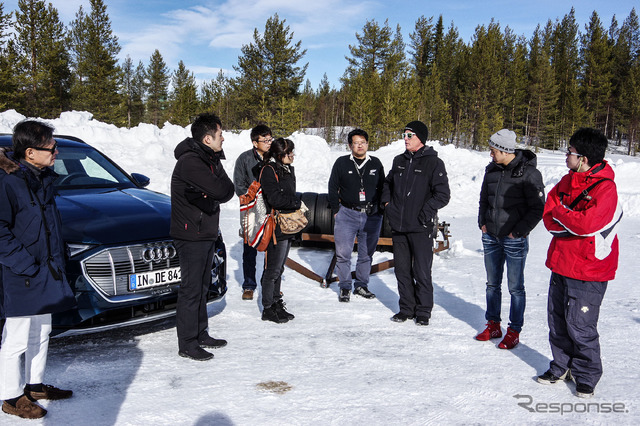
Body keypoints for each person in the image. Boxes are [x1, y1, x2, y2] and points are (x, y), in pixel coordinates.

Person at [537, 128, 622, 398]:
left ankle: (586, 374)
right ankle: (561, 365)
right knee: (557, 320)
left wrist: (564, 213)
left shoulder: (605, 188)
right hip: (561, 261)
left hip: (589, 269)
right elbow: (548, 214)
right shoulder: (566, 180)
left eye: (570, 152)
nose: (566, 155)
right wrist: (567, 216)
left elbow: (587, 225)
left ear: (583, 158)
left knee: (580, 324)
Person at [0, 120, 76, 419]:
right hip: (21, 274)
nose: (56, 151)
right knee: (16, 338)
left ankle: (34, 385)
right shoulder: (8, 183)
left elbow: (47, 225)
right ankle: (9, 396)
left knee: (42, 331)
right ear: (30, 152)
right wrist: (26, 264)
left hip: (46, 270)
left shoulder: (41, 178)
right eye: (52, 147)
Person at [170, 112, 235, 361]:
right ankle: (187, 342)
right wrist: (212, 192)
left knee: (203, 286)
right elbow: (221, 189)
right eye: (220, 135)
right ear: (207, 139)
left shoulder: (208, 158)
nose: (223, 139)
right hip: (191, 234)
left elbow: (227, 190)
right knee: (191, 289)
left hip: (205, 231)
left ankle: (200, 333)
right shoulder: (190, 162)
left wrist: (214, 183)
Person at [475, 129, 545, 349]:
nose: (490, 154)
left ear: (505, 151)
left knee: (515, 287)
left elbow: (537, 208)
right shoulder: (491, 170)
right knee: (491, 285)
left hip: (514, 239)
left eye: (493, 150)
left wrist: (519, 232)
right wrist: (482, 223)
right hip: (491, 237)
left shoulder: (529, 173)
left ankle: (514, 330)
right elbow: (483, 199)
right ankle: (493, 324)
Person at [381, 121, 450, 326]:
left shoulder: (433, 163)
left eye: (409, 135)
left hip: (421, 227)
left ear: (420, 137)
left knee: (421, 271)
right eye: (404, 134)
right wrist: (387, 204)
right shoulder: (398, 161)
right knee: (402, 270)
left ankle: (423, 311)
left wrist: (425, 213)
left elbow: (443, 195)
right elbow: (387, 183)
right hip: (399, 226)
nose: (405, 138)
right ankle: (406, 309)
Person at [328, 128, 384, 302]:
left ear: (367, 144)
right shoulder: (341, 163)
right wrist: (336, 210)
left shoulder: (376, 163)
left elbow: (383, 188)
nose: (360, 146)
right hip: (347, 213)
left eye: (363, 142)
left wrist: (380, 209)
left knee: (366, 254)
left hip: (371, 215)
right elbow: (332, 187)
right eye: (356, 143)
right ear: (350, 145)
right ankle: (345, 286)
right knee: (343, 253)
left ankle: (361, 285)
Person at [258, 138, 301, 323]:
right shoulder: (269, 170)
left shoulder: (287, 169)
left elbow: (289, 193)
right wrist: (296, 203)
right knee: (272, 269)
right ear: (279, 155)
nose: (292, 156)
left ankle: (276, 302)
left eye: (292, 152)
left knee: (279, 268)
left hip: (287, 223)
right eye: (288, 153)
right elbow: (274, 198)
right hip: (276, 225)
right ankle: (268, 307)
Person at [233, 124, 273, 301]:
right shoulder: (244, 159)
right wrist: (252, 197)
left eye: (270, 139)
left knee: (271, 248)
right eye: (265, 140)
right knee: (250, 248)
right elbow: (238, 185)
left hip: (271, 208)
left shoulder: (274, 157)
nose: (269, 143)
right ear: (255, 143)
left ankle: (270, 284)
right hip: (251, 209)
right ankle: (249, 285)